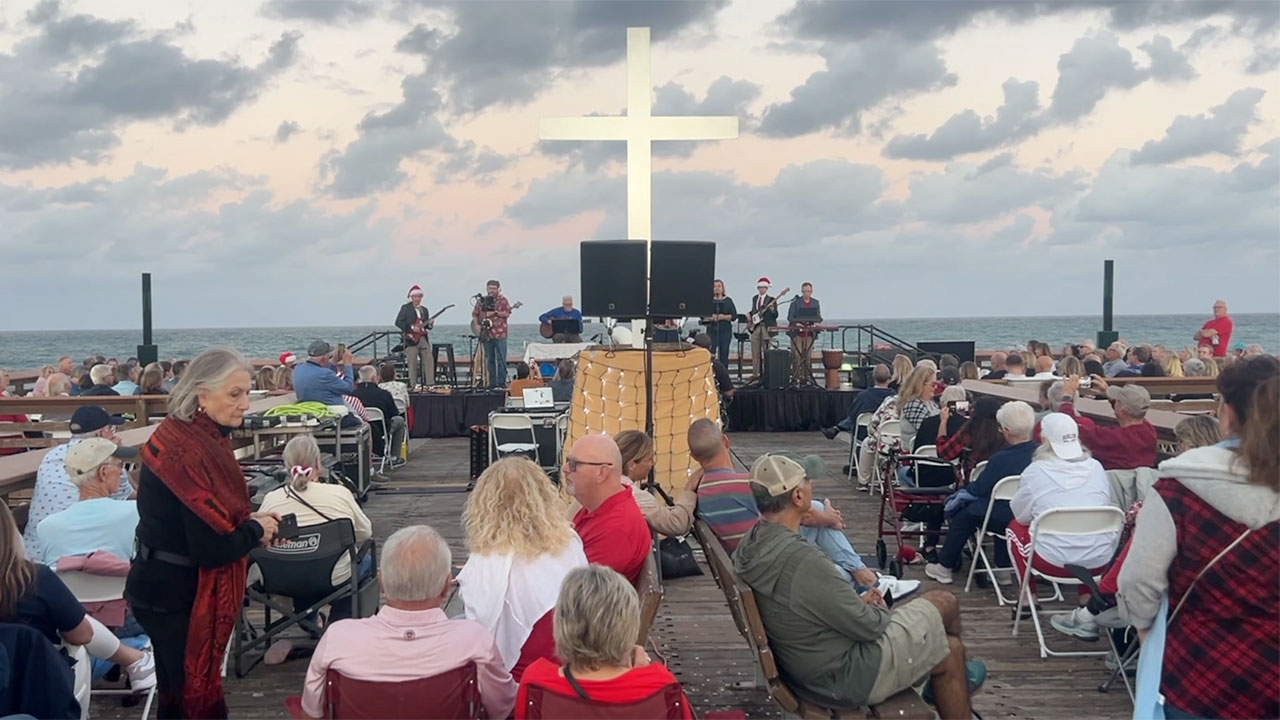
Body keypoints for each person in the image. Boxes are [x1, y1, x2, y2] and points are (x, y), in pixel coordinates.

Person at [733, 454, 980, 718]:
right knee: (946, 607)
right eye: (806, 482)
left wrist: (852, 604)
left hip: (802, 665)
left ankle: (944, 674)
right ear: (798, 497)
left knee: (947, 647)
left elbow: (806, 605)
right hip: (844, 676)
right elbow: (870, 627)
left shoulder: (749, 545)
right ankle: (955, 676)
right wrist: (878, 606)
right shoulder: (806, 562)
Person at [1117, 355, 1277, 720]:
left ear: (1229, 412)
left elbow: (1138, 581)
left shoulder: (1180, 486)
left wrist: (1147, 631)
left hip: (1200, 669)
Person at [126, 347, 283, 719]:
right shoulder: (189, 452)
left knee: (176, 699)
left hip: (157, 585)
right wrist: (255, 529)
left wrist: (250, 526)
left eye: (247, 393)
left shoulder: (189, 437)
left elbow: (206, 520)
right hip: (177, 595)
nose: (245, 404)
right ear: (202, 395)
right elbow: (210, 548)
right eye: (234, 394)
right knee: (193, 704)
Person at [301, 525, 516, 720]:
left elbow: (312, 713)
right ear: (445, 587)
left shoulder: (338, 638)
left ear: (382, 583)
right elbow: (503, 709)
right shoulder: (473, 640)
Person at [688, 420, 916, 598]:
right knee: (815, 509)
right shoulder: (745, 485)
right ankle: (867, 579)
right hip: (771, 567)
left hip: (749, 562)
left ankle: (866, 578)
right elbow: (797, 514)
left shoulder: (701, 492)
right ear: (727, 442)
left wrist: (823, 518)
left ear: (693, 456)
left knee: (814, 513)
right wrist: (829, 518)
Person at [0, 504, 156, 695]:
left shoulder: (48, 526)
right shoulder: (33, 579)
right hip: (40, 686)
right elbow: (82, 635)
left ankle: (136, 656)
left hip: (21, 682)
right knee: (80, 638)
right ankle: (137, 655)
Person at [459, 458, 587, 680]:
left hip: (516, 680)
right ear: (543, 497)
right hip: (572, 668)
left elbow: (480, 630)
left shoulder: (486, 559)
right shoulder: (570, 543)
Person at [516, 565, 693, 719]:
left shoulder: (536, 682)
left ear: (562, 623)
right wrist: (641, 676)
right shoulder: (661, 686)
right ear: (628, 625)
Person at [257, 435, 373, 626]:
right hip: (332, 578)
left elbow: (262, 541)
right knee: (364, 561)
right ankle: (339, 624)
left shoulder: (271, 499)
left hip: (280, 578)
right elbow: (365, 533)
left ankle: (308, 619)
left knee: (301, 562)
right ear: (318, 464)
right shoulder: (339, 494)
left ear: (286, 468)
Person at [925, 401, 1037, 585]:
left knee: (966, 514)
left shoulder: (1000, 459)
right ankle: (1002, 569)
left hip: (1004, 511)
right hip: (1029, 512)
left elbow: (980, 488)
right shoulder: (1039, 453)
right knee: (1002, 508)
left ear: (1007, 430)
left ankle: (945, 566)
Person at [1005, 413, 1118, 594]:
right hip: (1100, 560)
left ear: (1044, 439)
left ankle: (1028, 597)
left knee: (1014, 528)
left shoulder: (1035, 471)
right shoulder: (1096, 467)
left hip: (1052, 562)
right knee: (1087, 525)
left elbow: (1021, 516)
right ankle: (1086, 596)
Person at [22, 406, 133, 559]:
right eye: (112, 429)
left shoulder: (52, 455)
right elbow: (130, 496)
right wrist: (117, 454)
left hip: (34, 555)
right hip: (87, 560)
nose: (115, 433)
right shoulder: (106, 459)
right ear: (102, 433)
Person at [35, 438, 139, 566]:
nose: (121, 471)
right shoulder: (135, 512)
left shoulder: (46, 528)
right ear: (103, 472)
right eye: (120, 465)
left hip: (68, 586)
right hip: (119, 585)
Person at [563, 434, 651, 585]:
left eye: (573, 464)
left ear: (602, 473)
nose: (565, 469)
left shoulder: (616, 529)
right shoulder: (600, 507)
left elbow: (578, 592)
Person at [1059, 376, 1158, 469]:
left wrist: (1067, 396)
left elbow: (1068, 426)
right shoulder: (1149, 431)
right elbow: (1125, 412)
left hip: (1113, 484)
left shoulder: (1113, 437)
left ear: (1121, 409)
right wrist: (1108, 393)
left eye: (1118, 401)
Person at [293, 341, 360, 428]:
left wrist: (334, 361)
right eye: (329, 356)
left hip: (310, 413)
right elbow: (348, 388)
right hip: (331, 417)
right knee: (367, 425)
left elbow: (318, 372)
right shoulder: (325, 374)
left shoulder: (299, 369)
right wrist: (348, 364)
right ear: (325, 358)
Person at [822, 363, 894, 441]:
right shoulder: (895, 397)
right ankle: (837, 428)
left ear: (873, 378)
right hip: (889, 435)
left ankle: (837, 428)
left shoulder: (863, 396)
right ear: (889, 378)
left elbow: (852, 414)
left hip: (864, 436)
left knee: (854, 417)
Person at [351, 365, 406, 462]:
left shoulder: (352, 395)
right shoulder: (384, 394)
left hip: (360, 429)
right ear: (374, 378)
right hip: (382, 428)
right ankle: (394, 457)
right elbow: (394, 414)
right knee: (400, 420)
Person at [473, 280, 514, 389]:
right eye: (489, 288)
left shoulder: (503, 300)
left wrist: (495, 313)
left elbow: (507, 313)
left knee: (501, 359)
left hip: (500, 334)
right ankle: (492, 383)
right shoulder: (482, 301)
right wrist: (477, 325)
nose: (491, 290)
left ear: (498, 289)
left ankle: (501, 383)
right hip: (487, 333)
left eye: (494, 288)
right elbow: (475, 314)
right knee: (489, 359)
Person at [395, 285, 436, 388]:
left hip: (423, 338)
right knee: (412, 363)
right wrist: (412, 328)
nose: (417, 299)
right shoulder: (405, 308)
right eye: (415, 297)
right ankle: (413, 385)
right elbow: (398, 322)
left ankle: (430, 383)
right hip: (411, 340)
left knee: (429, 359)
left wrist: (430, 324)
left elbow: (426, 326)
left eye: (419, 297)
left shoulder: (424, 310)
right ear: (411, 297)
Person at [896, 366, 938, 451]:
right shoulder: (913, 404)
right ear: (921, 384)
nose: (936, 387)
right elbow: (929, 432)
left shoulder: (931, 403)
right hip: (915, 456)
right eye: (933, 384)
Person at [786, 282, 822, 382]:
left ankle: (807, 378)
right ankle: (796, 377)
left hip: (809, 334)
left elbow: (819, 317)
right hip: (797, 333)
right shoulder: (795, 303)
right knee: (797, 356)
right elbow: (790, 317)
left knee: (808, 357)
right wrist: (797, 323)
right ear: (802, 292)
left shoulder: (816, 303)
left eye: (809, 291)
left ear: (812, 292)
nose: (807, 293)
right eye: (805, 291)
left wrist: (816, 323)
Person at [747, 277, 779, 380]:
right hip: (756, 326)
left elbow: (775, 315)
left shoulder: (771, 299)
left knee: (766, 351)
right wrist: (750, 316)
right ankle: (756, 373)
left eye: (764, 288)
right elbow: (754, 311)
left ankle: (766, 373)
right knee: (754, 350)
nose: (762, 290)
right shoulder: (755, 298)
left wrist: (772, 310)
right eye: (760, 288)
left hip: (766, 326)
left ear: (767, 288)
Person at [704, 279, 737, 366]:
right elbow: (702, 315)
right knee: (711, 354)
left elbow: (734, 316)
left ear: (722, 288)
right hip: (712, 331)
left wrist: (722, 317)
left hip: (725, 331)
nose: (717, 288)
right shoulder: (708, 301)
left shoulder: (728, 301)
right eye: (715, 286)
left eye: (719, 286)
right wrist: (711, 317)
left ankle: (724, 374)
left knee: (724, 354)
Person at [692, 334, 734, 399]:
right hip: (711, 403)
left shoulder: (687, 367)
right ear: (710, 347)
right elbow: (729, 393)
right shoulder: (717, 367)